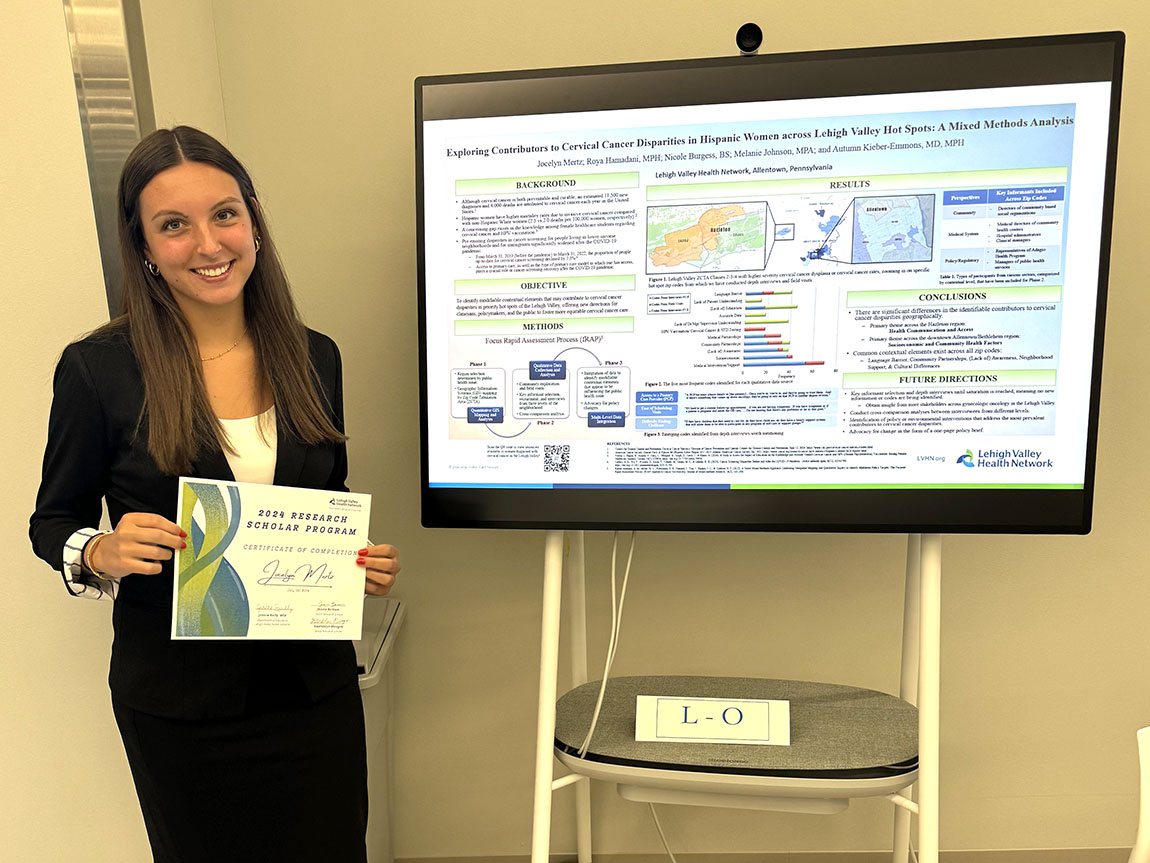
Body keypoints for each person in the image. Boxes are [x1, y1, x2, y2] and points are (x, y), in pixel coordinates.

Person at [29, 126, 400, 863]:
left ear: (254, 222)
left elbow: (327, 496)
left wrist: (357, 561)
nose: (208, 243)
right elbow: (53, 520)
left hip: (312, 693)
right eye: (174, 225)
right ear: (143, 248)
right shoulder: (98, 370)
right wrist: (99, 549)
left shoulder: (313, 353)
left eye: (225, 214)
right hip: (180, 706)